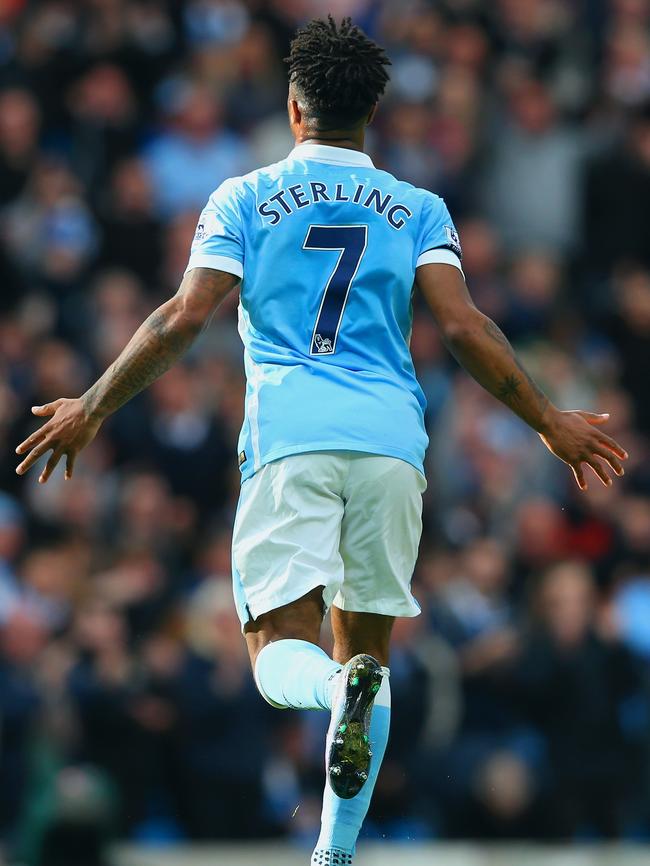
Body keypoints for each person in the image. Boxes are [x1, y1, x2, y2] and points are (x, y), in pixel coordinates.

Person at [15, 16, 628, 865]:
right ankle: (334, 852)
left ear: (295, 107)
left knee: (278, 657)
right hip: (391, 446)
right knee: (368, 650)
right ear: (371, 112)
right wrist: (550, 421)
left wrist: (94, 401)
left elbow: (180, 318)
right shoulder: (419, 207)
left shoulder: (243, 195)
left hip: (292, 439)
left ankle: (334, 690)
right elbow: (464, 328)